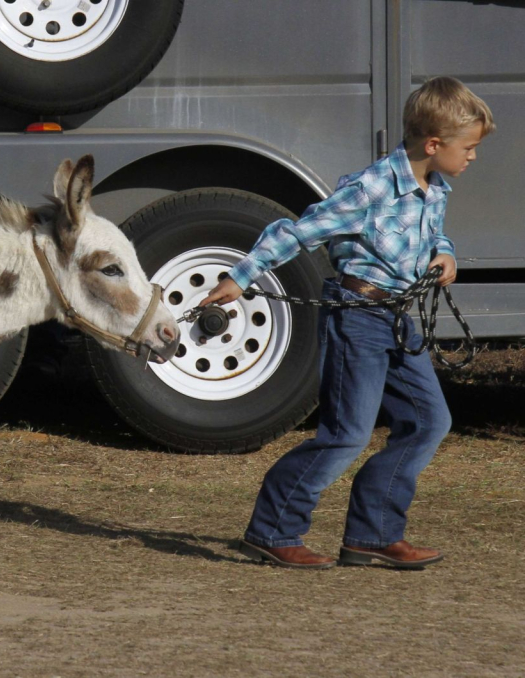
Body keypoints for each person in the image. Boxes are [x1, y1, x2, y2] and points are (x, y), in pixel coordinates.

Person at [199, 77, 495, 569]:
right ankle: (273, 531)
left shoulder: (435, 186)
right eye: (469, 147)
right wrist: (242, 277)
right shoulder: (372, 187)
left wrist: (444, 253)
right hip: (359, 317)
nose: (473, 157)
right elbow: (299, 232)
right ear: (434, 144)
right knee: (347, 433)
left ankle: (373, 535)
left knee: (428, 422)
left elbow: (433, 233)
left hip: (401, 318)